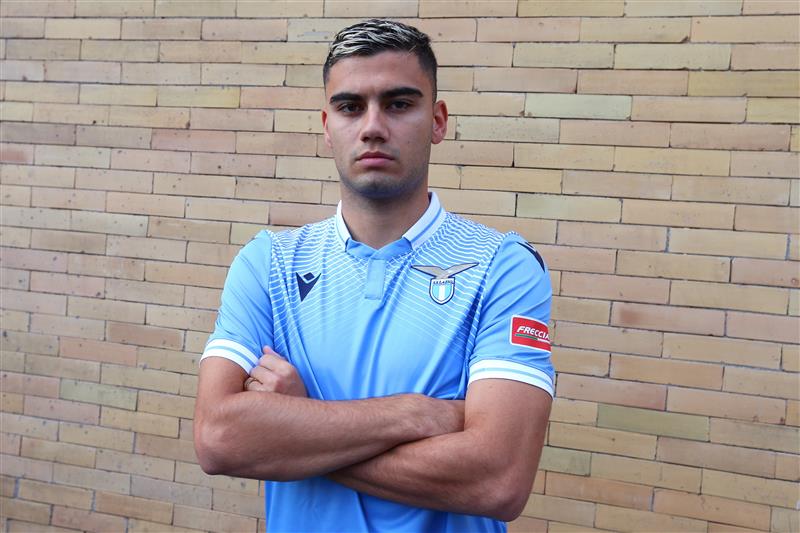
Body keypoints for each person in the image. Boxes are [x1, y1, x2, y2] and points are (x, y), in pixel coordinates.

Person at [193, 19, 553, 533]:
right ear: (326, 125)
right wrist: (416, 415)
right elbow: (218, 438)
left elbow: (496, 479)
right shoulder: (268, 262)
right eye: (349, 107)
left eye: (399, 103)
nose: (372, 126)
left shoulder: (504, 266)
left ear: (438, 121)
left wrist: (298, 426)